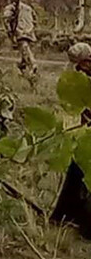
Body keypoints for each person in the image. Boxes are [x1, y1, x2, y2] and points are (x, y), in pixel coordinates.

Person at [53, 43, 91, 237]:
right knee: (76, 171)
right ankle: (65, 217)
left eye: (80, 66)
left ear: (87, 61)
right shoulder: (84, 78)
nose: (78, 70)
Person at [2, 0, 38, 81]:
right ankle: (23, 70)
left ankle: (33, 65)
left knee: (25, 51)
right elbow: (35, 19)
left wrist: (10, 33)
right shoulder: (28, 8)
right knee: (24, 54)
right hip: (30, 32)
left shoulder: (11, 8)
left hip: (20, 32)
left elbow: (6, 19)